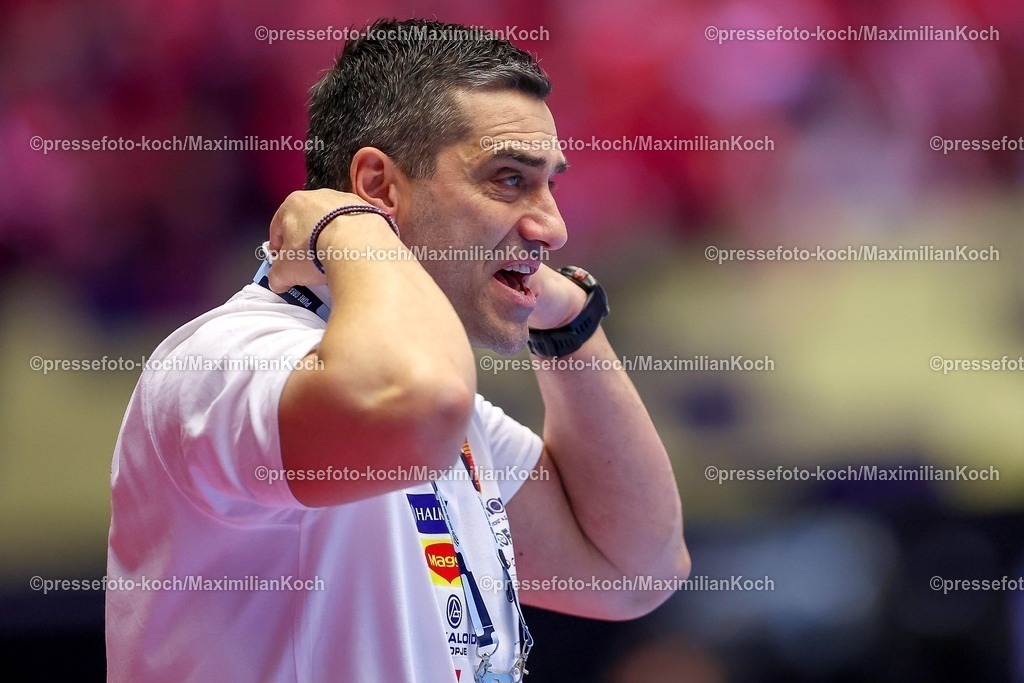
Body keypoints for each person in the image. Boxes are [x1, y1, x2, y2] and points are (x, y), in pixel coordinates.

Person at [106, 17, 689, 683]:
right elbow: (419, 406)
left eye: (549, 183)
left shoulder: (443, 404)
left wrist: (570, 322)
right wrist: (350, 225)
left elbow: (637, 568)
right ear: (380, 186)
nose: (553, 226)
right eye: (507, 179)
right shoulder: (233, 358)